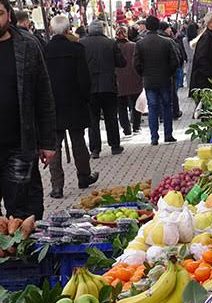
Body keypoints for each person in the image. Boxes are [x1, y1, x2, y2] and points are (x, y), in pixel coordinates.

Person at [0, 0, 56, 218]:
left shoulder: (27, 44)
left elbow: (44, 95)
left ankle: (26, 252)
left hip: (19, 146)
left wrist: (48, 142)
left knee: (24, 211)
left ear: (9, 15)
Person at [44, 15, 99, 199]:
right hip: (74, 103)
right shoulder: (76, 49)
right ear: (68, 29)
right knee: (78, 141)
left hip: (53, 105)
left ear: (52, 30)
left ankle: (57, 186)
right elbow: (84, 78)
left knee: (54, 145)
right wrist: (85, 98)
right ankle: (84, 176)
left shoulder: (45, 50)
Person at [80, 19, 126, 159]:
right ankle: (115, 146)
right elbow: (121, 62)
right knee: (111, 117)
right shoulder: (110, 43)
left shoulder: (82, 44)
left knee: (92, 120)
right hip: (108, 86)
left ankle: (95, 149)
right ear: (102, 29)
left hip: (90, 87)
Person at [134, 15, 178, 145]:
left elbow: (136, 63)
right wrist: (169, 73)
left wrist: (143, 74)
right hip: (165, 79)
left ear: (146, 27)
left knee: (152, 108)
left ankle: (154, 137)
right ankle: (168, 134)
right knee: (166, 106)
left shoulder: (140, 44)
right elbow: (174, 61)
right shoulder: (167, 42)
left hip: (149, 80)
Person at [115, 25, 143, 135]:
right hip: (134, 78)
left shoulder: (113, 47)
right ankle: (136, 126)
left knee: (121, 107)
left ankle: (126, 128)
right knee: (136, 104)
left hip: (119, 81)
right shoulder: (134, 46)